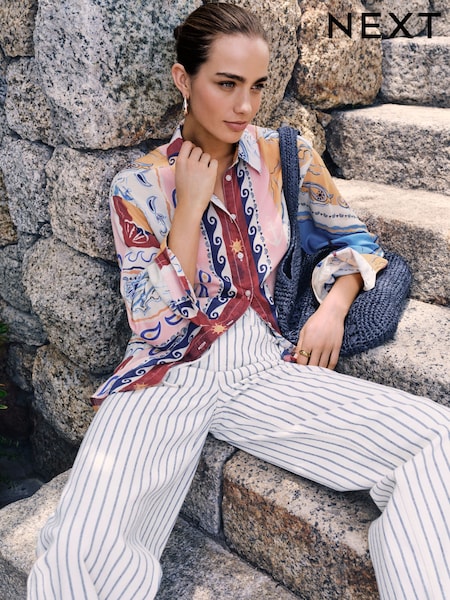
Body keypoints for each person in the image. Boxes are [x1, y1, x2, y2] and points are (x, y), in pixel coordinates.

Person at [28, 4, 450, 599]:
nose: (245, 106)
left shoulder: (282, 155)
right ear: (184, 79)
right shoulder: (138, 186)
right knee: (80, 545)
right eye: (226, 84)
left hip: (262, 365)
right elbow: (157, 322)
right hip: (165, 374)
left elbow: (355, 240)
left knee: (436, 437)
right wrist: (190, 204)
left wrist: (333, 308)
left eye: (256, 86)